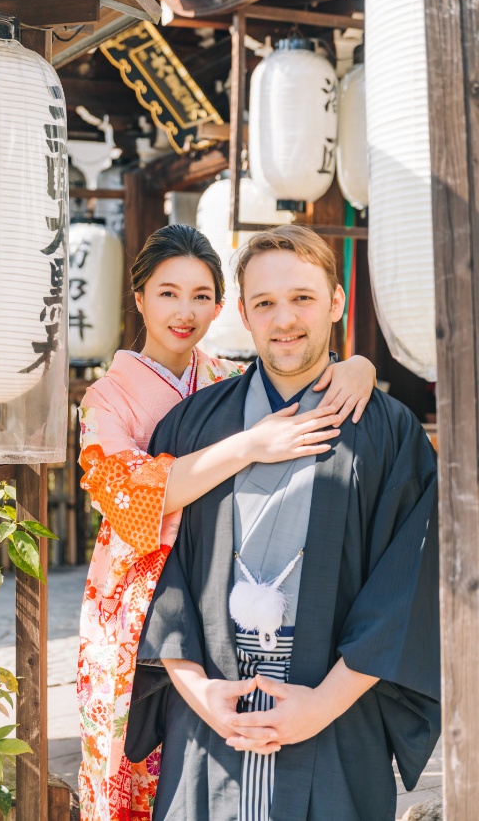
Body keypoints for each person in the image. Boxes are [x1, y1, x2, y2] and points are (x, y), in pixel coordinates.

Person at [126, 225, 440, 821]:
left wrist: (321, 705)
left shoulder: (389, 430)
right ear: (242, 314)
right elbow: (151, 570)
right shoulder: (192, 426)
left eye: (303, 298)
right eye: (265, 303)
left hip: (335, 704)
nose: (285, 319)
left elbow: (410, 582)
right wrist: (199, 692)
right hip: (211, 706)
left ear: (337, 302)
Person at [77, 224, 377, 821]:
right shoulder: (107, 398)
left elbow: (298, 364)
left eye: (201, 295)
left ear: (222, 307)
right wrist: (250, 445)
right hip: (141, 598)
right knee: (132, 776)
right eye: (167, 293)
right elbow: (131, 497)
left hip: (214, 595)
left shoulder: (223, 379)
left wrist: (359, 366)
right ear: (139, 298)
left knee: (209, 768)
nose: (184, 312)